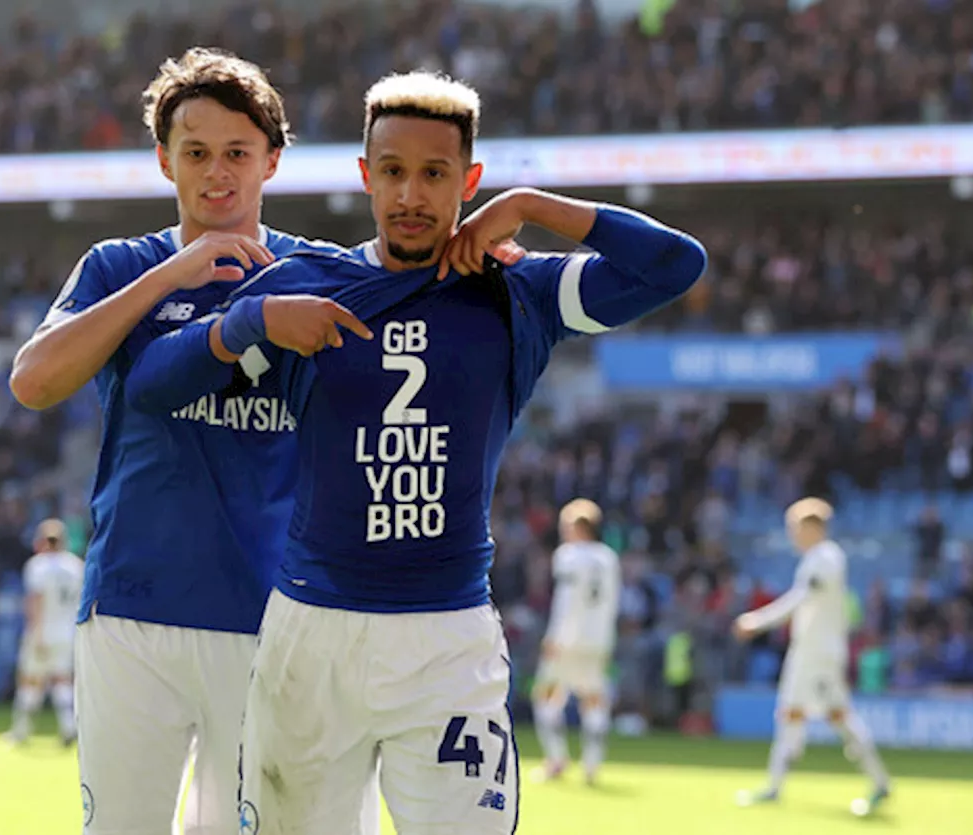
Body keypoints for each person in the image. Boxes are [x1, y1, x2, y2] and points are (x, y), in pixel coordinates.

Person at [124, 70, 707, 834]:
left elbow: (675, 265)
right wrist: (250, 322)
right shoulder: (308, 286)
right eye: (393, 172)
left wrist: (531, 206)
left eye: (434, 174)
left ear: (469, 181)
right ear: (366, 176)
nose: (410, 195)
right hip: (313, 637)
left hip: (447, 645)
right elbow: (151, 388)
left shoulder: (514, 292)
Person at [8, 48, 369, 835]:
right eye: (196, 152)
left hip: (274, 620)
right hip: (134, 613)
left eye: (237, 153)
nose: (217, 173)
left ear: (272, 159)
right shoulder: (120, 266)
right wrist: (172, 276)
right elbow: (33, 381)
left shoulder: (320, 272)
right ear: (164, 158)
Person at [732, 498, 891, 817]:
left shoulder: (826, 558)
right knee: (791, 713)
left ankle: (880, 782)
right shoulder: (815, 559)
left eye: (796, 528)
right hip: (807, 651)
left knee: (838, 716)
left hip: (820, 655)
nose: (793, 535)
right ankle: (775, 786)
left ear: (813, 527)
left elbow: (798, 599)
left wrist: (756, 621)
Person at [531, 498, 621, 786]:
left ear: (579, 527)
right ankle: (592, 765)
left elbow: (567, 601)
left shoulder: (568, 556)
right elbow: (612, 602)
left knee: (545, 694)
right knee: (593, 698)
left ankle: (556, 759)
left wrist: (555, 636)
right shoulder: (608, 557)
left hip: (568, 638)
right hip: (599, 639)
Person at [4, 519, 85, 746]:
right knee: (62, 680)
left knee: (30, 679)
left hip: (43, 631)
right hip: (67, 632)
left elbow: (35, 600)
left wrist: (36, 633)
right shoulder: (75, 566)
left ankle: (20, 731)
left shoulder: (38, 566)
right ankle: (69, 728)